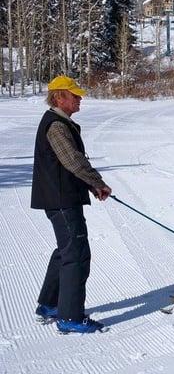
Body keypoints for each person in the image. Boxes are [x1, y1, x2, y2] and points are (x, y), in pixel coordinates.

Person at [32, 75, 112, 334]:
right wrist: (98, 183)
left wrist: (91, 185)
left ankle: (50, 304)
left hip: (61, 196)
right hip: (61, 199)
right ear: (59, 97)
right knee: (76, 254)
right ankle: (70, 316)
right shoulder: (56, 125)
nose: (79, 99)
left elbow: (69, 164)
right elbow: (73, 162)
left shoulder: (61, 123)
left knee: (66, 249)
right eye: (74, 95)